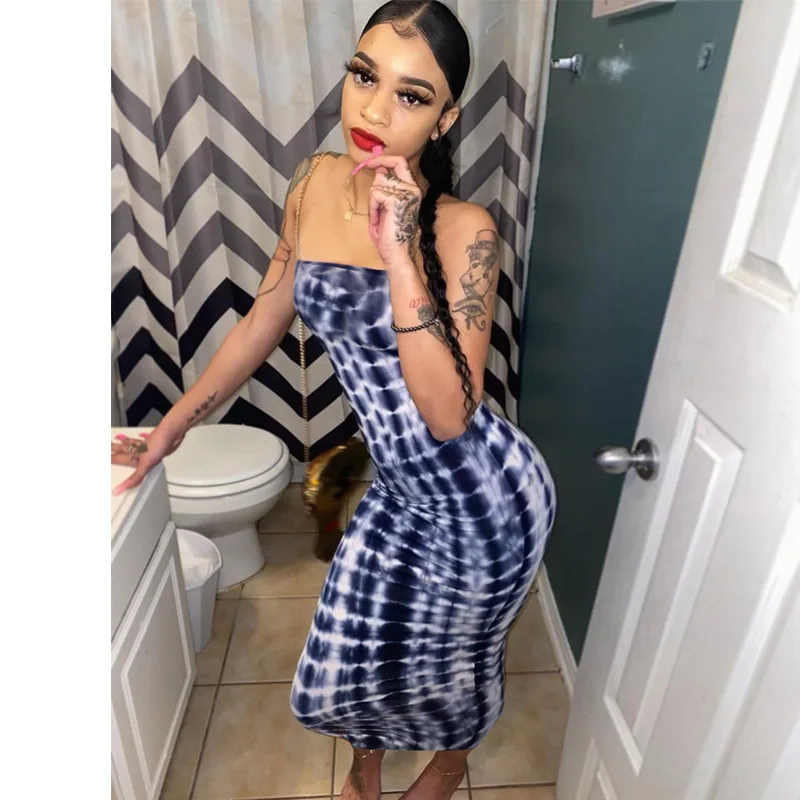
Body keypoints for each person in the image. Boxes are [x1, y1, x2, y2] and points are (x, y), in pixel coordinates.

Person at [111, 2, 556, 798]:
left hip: (484, 503)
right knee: (352, 659)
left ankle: (449, 761)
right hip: (398, 491)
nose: (375, 111)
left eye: (412, 95)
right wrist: (169, 429)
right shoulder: (314, 183)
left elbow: (448, 416)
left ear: (445, 118)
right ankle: (365, 769)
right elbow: (262, 320)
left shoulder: (466, 231)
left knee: (453, 659)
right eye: (364, 76)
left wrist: (400, 253)